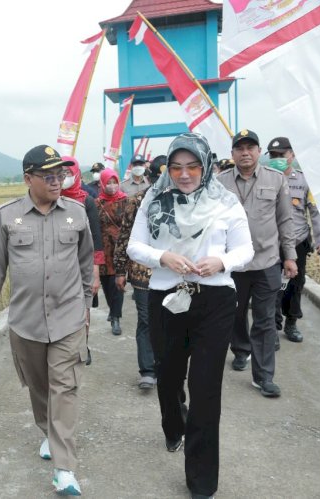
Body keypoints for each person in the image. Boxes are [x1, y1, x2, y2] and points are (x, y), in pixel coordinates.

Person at [127, 133, 254, 499]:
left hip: (214, 300)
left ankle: (201, 481)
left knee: (205, 387)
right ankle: (173, 424)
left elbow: (245, 248)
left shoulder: (225, 201)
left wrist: (222, 261)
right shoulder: (154, 199)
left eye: (192, 166)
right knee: (168, 376)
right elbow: (136, 246)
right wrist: (162, 257)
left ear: (206, 165)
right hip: (167, 297)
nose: (184, 175)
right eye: (176, 167)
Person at [0, 144, 93, 496]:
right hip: (26, 321)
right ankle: (47, 430)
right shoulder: (7, 216)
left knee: (65, 387)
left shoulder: (77, 212)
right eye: (49, 176)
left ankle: (64, 469)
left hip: (68, 319)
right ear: (28, 179)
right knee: (39, 386)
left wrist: (86, 304)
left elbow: (86, 261)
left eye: (61, 174)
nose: (57, 181)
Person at [218, 129, 297, 398]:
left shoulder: (275, 180)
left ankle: (264, 377)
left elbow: (285, 220)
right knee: (235, 315)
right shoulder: (219, 182)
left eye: (250, 147)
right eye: (240, 148)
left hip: (266, 263)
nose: (245, 153)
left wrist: (290, 256)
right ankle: (241, 351)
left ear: (259, 151)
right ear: (233, 154)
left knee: (264, 321)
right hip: (233, 265)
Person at [266, 137, 320, 342]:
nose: (278, 159)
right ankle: (273, 327)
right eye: (274, 155)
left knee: (295, 285)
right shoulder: (264, 179)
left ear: (292, 155)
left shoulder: (304, 181)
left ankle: (291, 323)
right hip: (271, 244)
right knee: (271, 287)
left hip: (298, 242)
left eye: (282, 155)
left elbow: (315, 212)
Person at [113, 166, 158, 389]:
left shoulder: (186, 199)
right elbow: (124, 235)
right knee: (147, 320)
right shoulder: (139, 200)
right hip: (143, 273)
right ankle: (148, 370)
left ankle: (168, 366)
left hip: (176, 274)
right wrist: (120, 270)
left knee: (175, 322)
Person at [60, 156, 103, 303]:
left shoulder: (87, 200)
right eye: (61, 172)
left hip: (84, 263)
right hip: (59, 265)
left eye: (68, 172)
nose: (64, 176)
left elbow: (96, 238)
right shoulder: (50, 200)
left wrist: (95, 273)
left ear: (76, 173)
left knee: (85, 304)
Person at [95, 168, 129, 336]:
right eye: (108, 182)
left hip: (118, 249)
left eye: (114, 182)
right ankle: (112, 309)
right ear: (102, 183)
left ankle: (116, 318)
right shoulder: (96, 203)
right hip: (102, 250)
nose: (112, 186)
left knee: (118, 284)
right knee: (106, 286)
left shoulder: (125, 201)